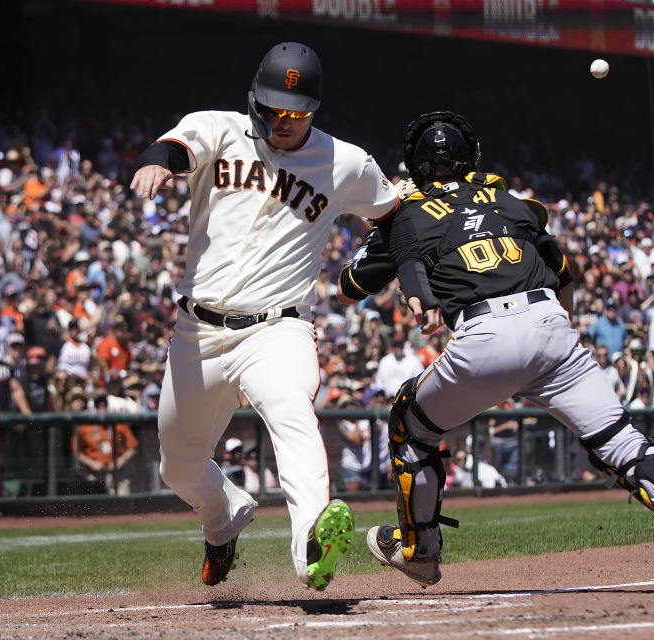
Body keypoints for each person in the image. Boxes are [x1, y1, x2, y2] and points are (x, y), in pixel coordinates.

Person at [360, 111, 654, 593]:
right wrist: (554, 328)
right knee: (623, 442)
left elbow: (351, 285)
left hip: (482, 336)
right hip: (551, 326)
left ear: (415, 166)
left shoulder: (409, 212)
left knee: (410, 424)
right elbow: (565, 274)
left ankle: (420, 553)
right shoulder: (511, 201)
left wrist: (383, 241)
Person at [129, 42, 398, 590]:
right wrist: (157, 163)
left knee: (288, 409)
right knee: (177, 468)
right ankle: (224, 514)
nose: (284, 120)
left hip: (279, 327)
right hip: (196, 332)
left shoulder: (345, 161)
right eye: (274, 108)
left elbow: (394, 217)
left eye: (296, 112)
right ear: (255, 100)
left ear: (314, 109)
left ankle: (311, 545)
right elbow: (175, 148)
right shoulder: (221, 129)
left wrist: (390, 273)